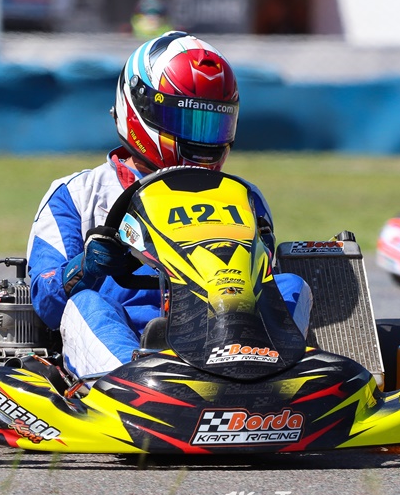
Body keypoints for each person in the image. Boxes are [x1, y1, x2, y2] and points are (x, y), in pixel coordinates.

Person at [26, 31, 313, 383]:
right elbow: (46, 301)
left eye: (213, 124)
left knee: (290, 285)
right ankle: (129, 387)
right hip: (127, 344)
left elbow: (260, 289)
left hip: (224, 340)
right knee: (85, 304)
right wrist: (85, 268)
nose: (202, 138)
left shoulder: (243, 197)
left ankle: (273, 380)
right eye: (188, 122)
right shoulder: (78, 194)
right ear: (140, 109)